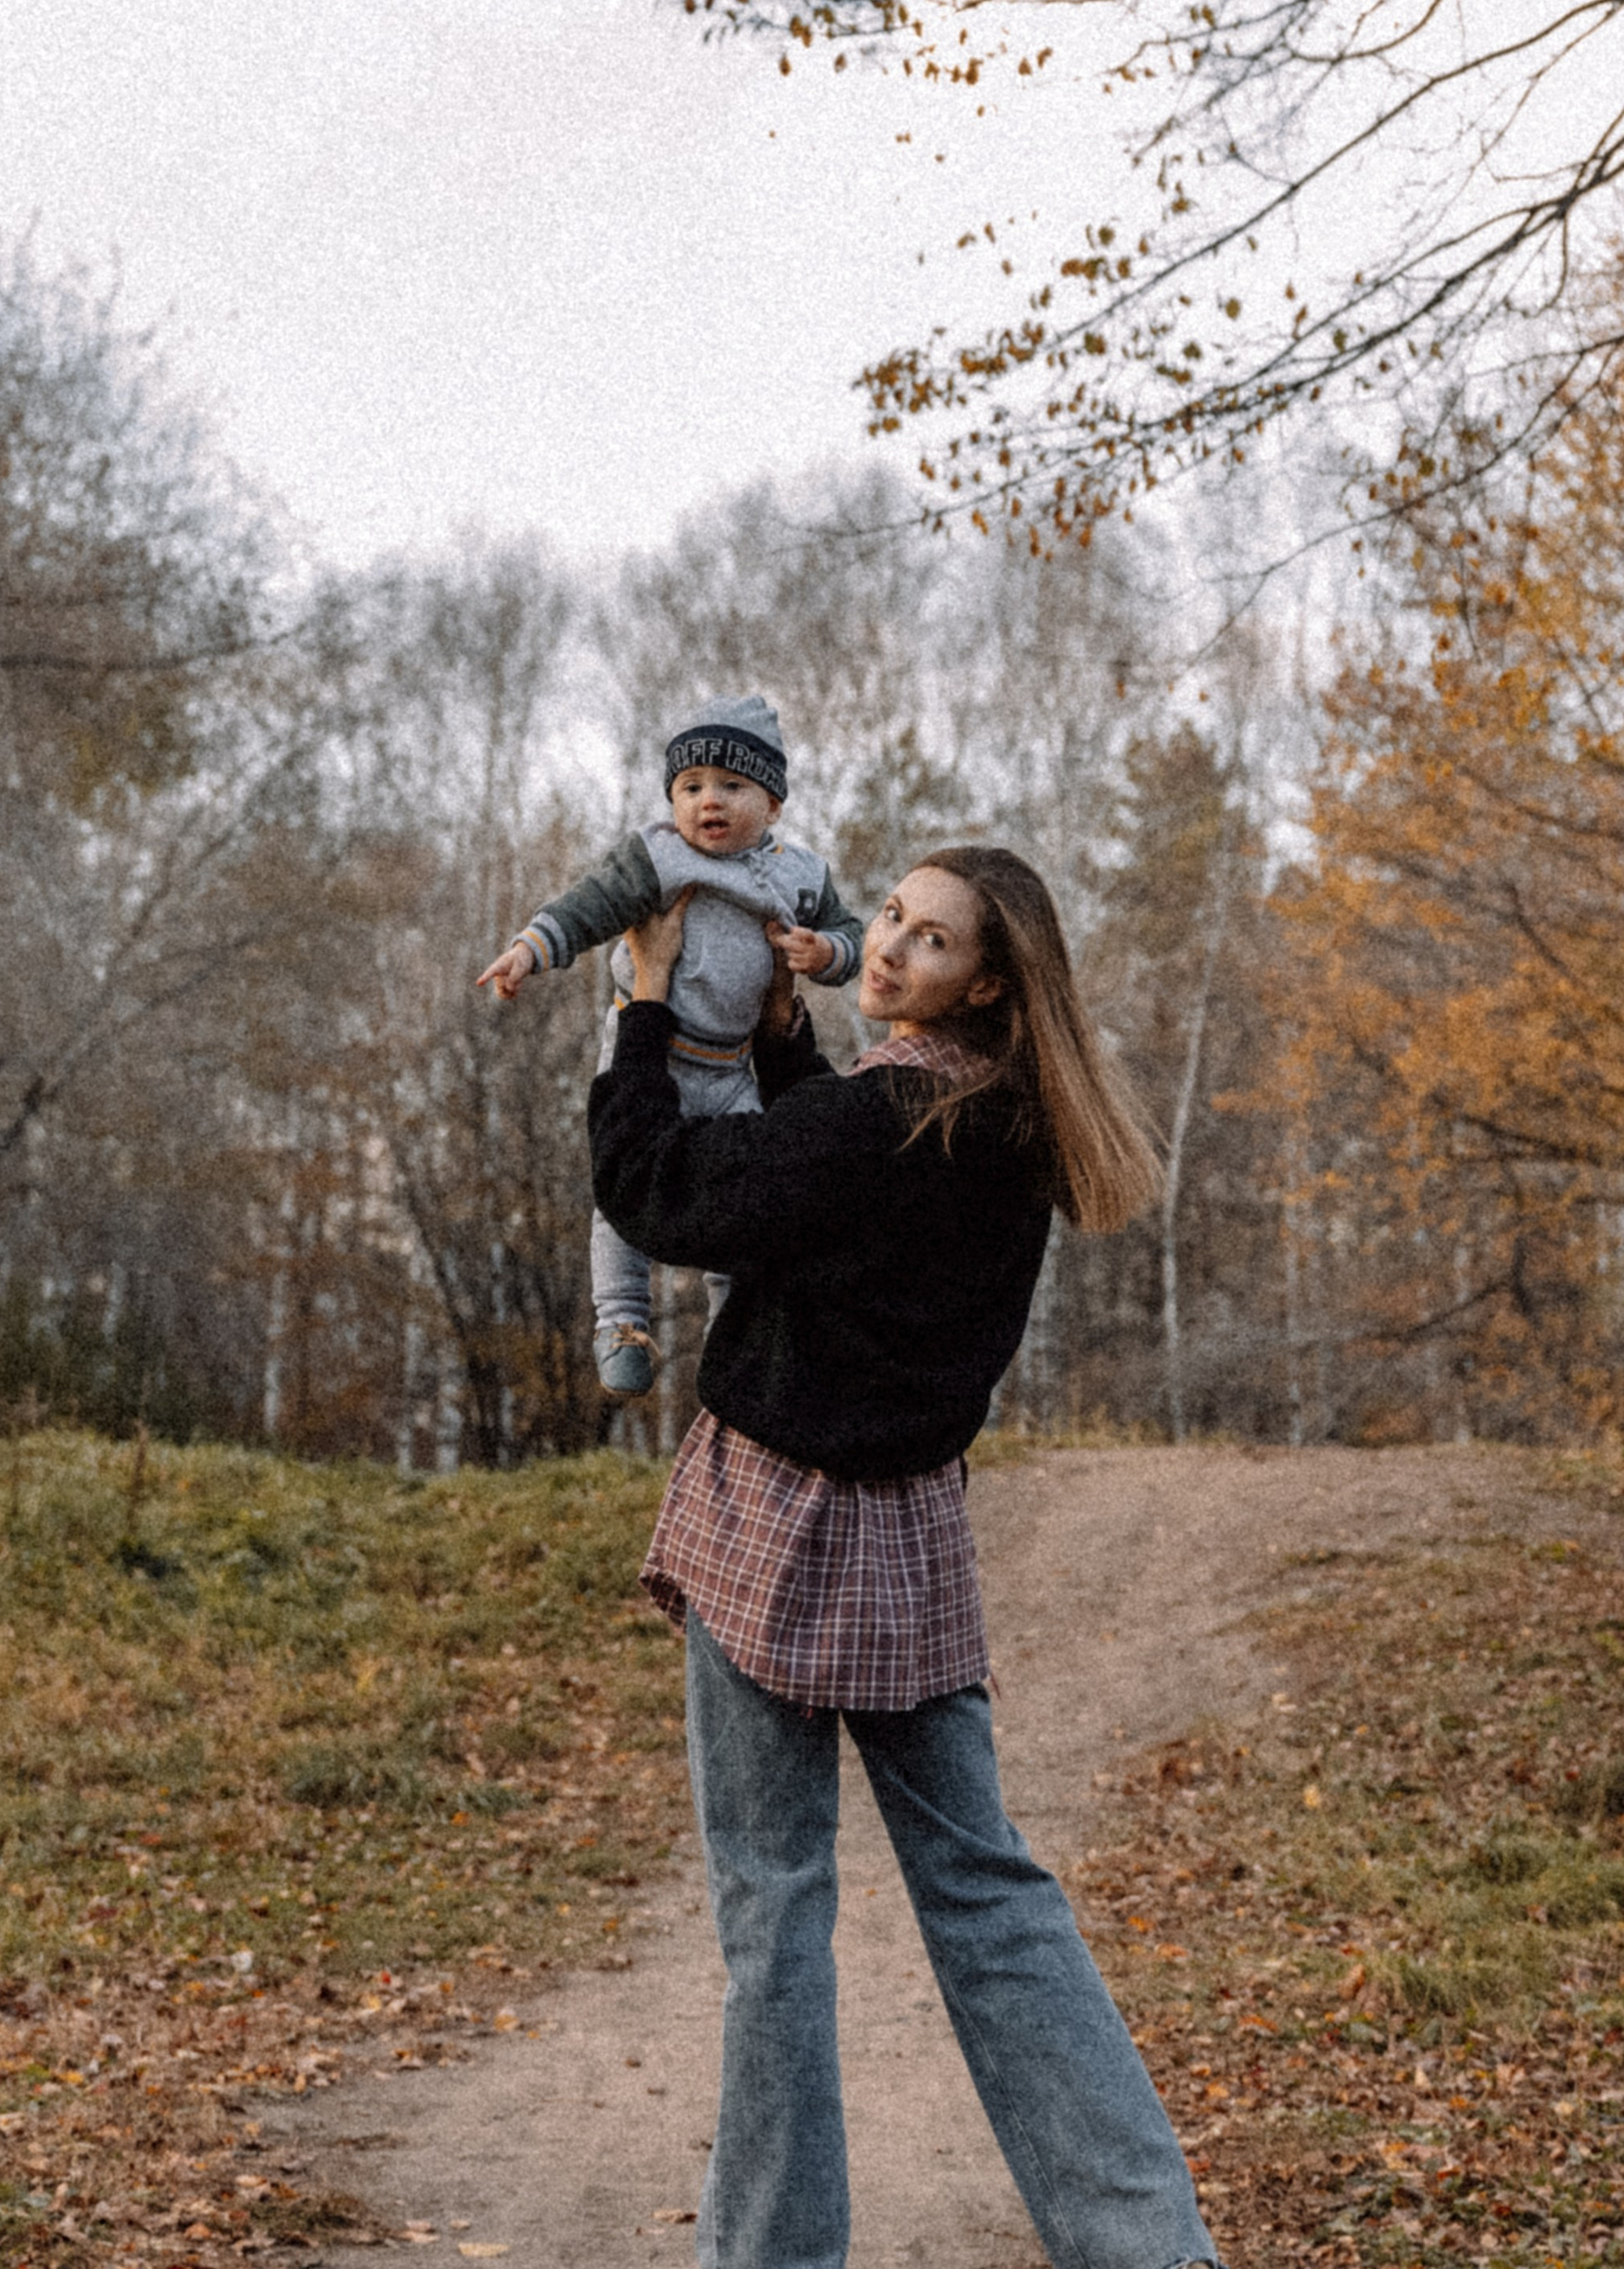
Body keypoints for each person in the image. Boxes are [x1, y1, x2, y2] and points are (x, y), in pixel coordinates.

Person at [589, 844, 1221, 2269]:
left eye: (929, 943)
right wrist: (783, 1037)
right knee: (989, 1893)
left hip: (775, 1525)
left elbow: (667, 1193)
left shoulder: (877, 1128)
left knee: (774, 1911)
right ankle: (1148, 2249)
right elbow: (831, 1184)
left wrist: (644, 1006)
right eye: (887, 918)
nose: (886, 948)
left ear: (984, 981)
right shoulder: (1003, 1125)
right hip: (912, 1541)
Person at [476, 694, 863, 1397]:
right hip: (646, 1047)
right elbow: (587, 906)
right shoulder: (659, 856)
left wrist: (823, 950)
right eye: (690, 787)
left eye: (730, 786)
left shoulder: (801, 875)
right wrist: (529, 950)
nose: (707, 802)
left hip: (731, 1062)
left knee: (742, 1192)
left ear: (773, 804)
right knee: (622, 1189)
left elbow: (855, 940)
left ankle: (733, 1327)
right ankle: (621, 1321)